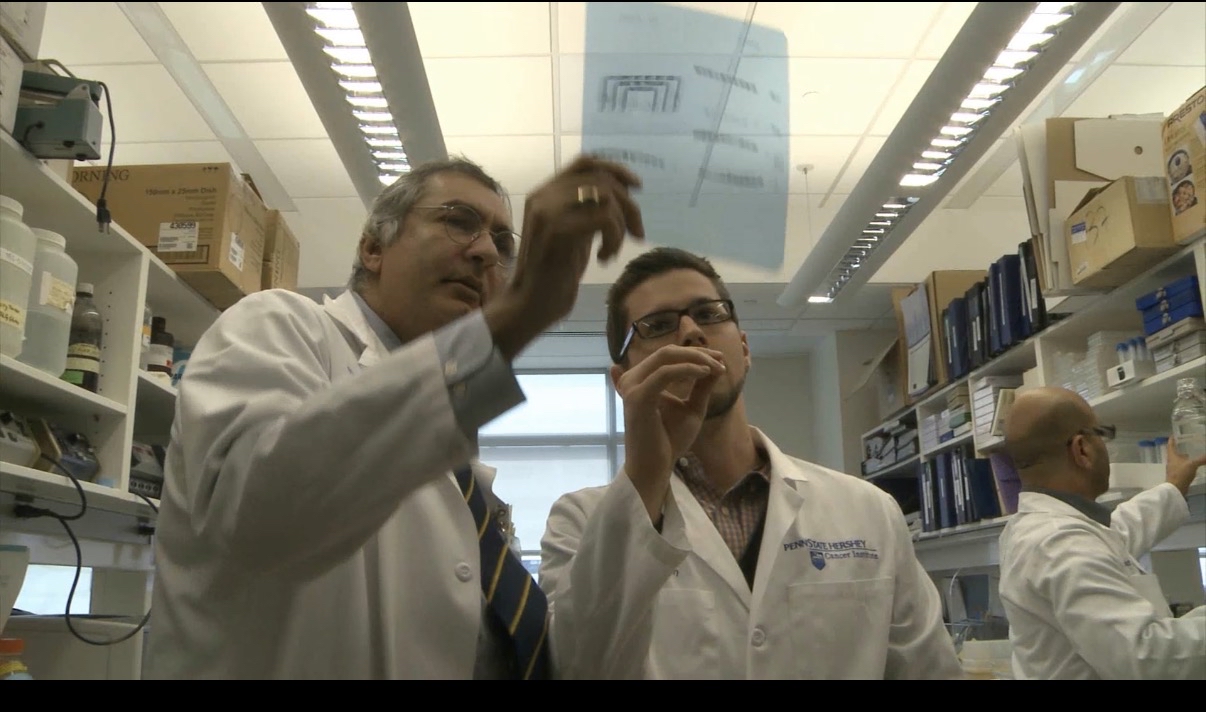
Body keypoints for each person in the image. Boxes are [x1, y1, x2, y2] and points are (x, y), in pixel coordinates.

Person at [144, 154, 646, 679]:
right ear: (373, 247)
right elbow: (261, 515)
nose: (484, 253)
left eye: (502, 243)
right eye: (458, 220)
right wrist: (515, 318)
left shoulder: (449, 434)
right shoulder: (278, 324)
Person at [539, 247, 964, 680]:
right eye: (658, 325)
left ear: (743, 349)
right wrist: (646, 476)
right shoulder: (579, 521)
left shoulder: (869, 510)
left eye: (708, 314)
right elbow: (577, 667)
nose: (691, 333)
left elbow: (930, 672)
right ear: (622, 381)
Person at [997, 386, 1206, 680]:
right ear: (1082, 449)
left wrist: (1173, 485)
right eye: (1103, 433)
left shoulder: (1040, 527)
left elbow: (1117, 534)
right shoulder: (1061, 543)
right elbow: (1146, 656)